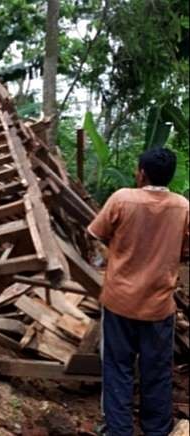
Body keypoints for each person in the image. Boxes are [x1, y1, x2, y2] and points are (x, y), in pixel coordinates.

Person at [88, 148, 189, 435]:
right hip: (158, 305)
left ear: (142, 173)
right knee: (157, 371)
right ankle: (157, 430)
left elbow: (95, 233)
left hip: (120, 301)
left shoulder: (122, 198)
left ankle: (118, 430)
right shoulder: (182, 206)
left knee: (117, 368)